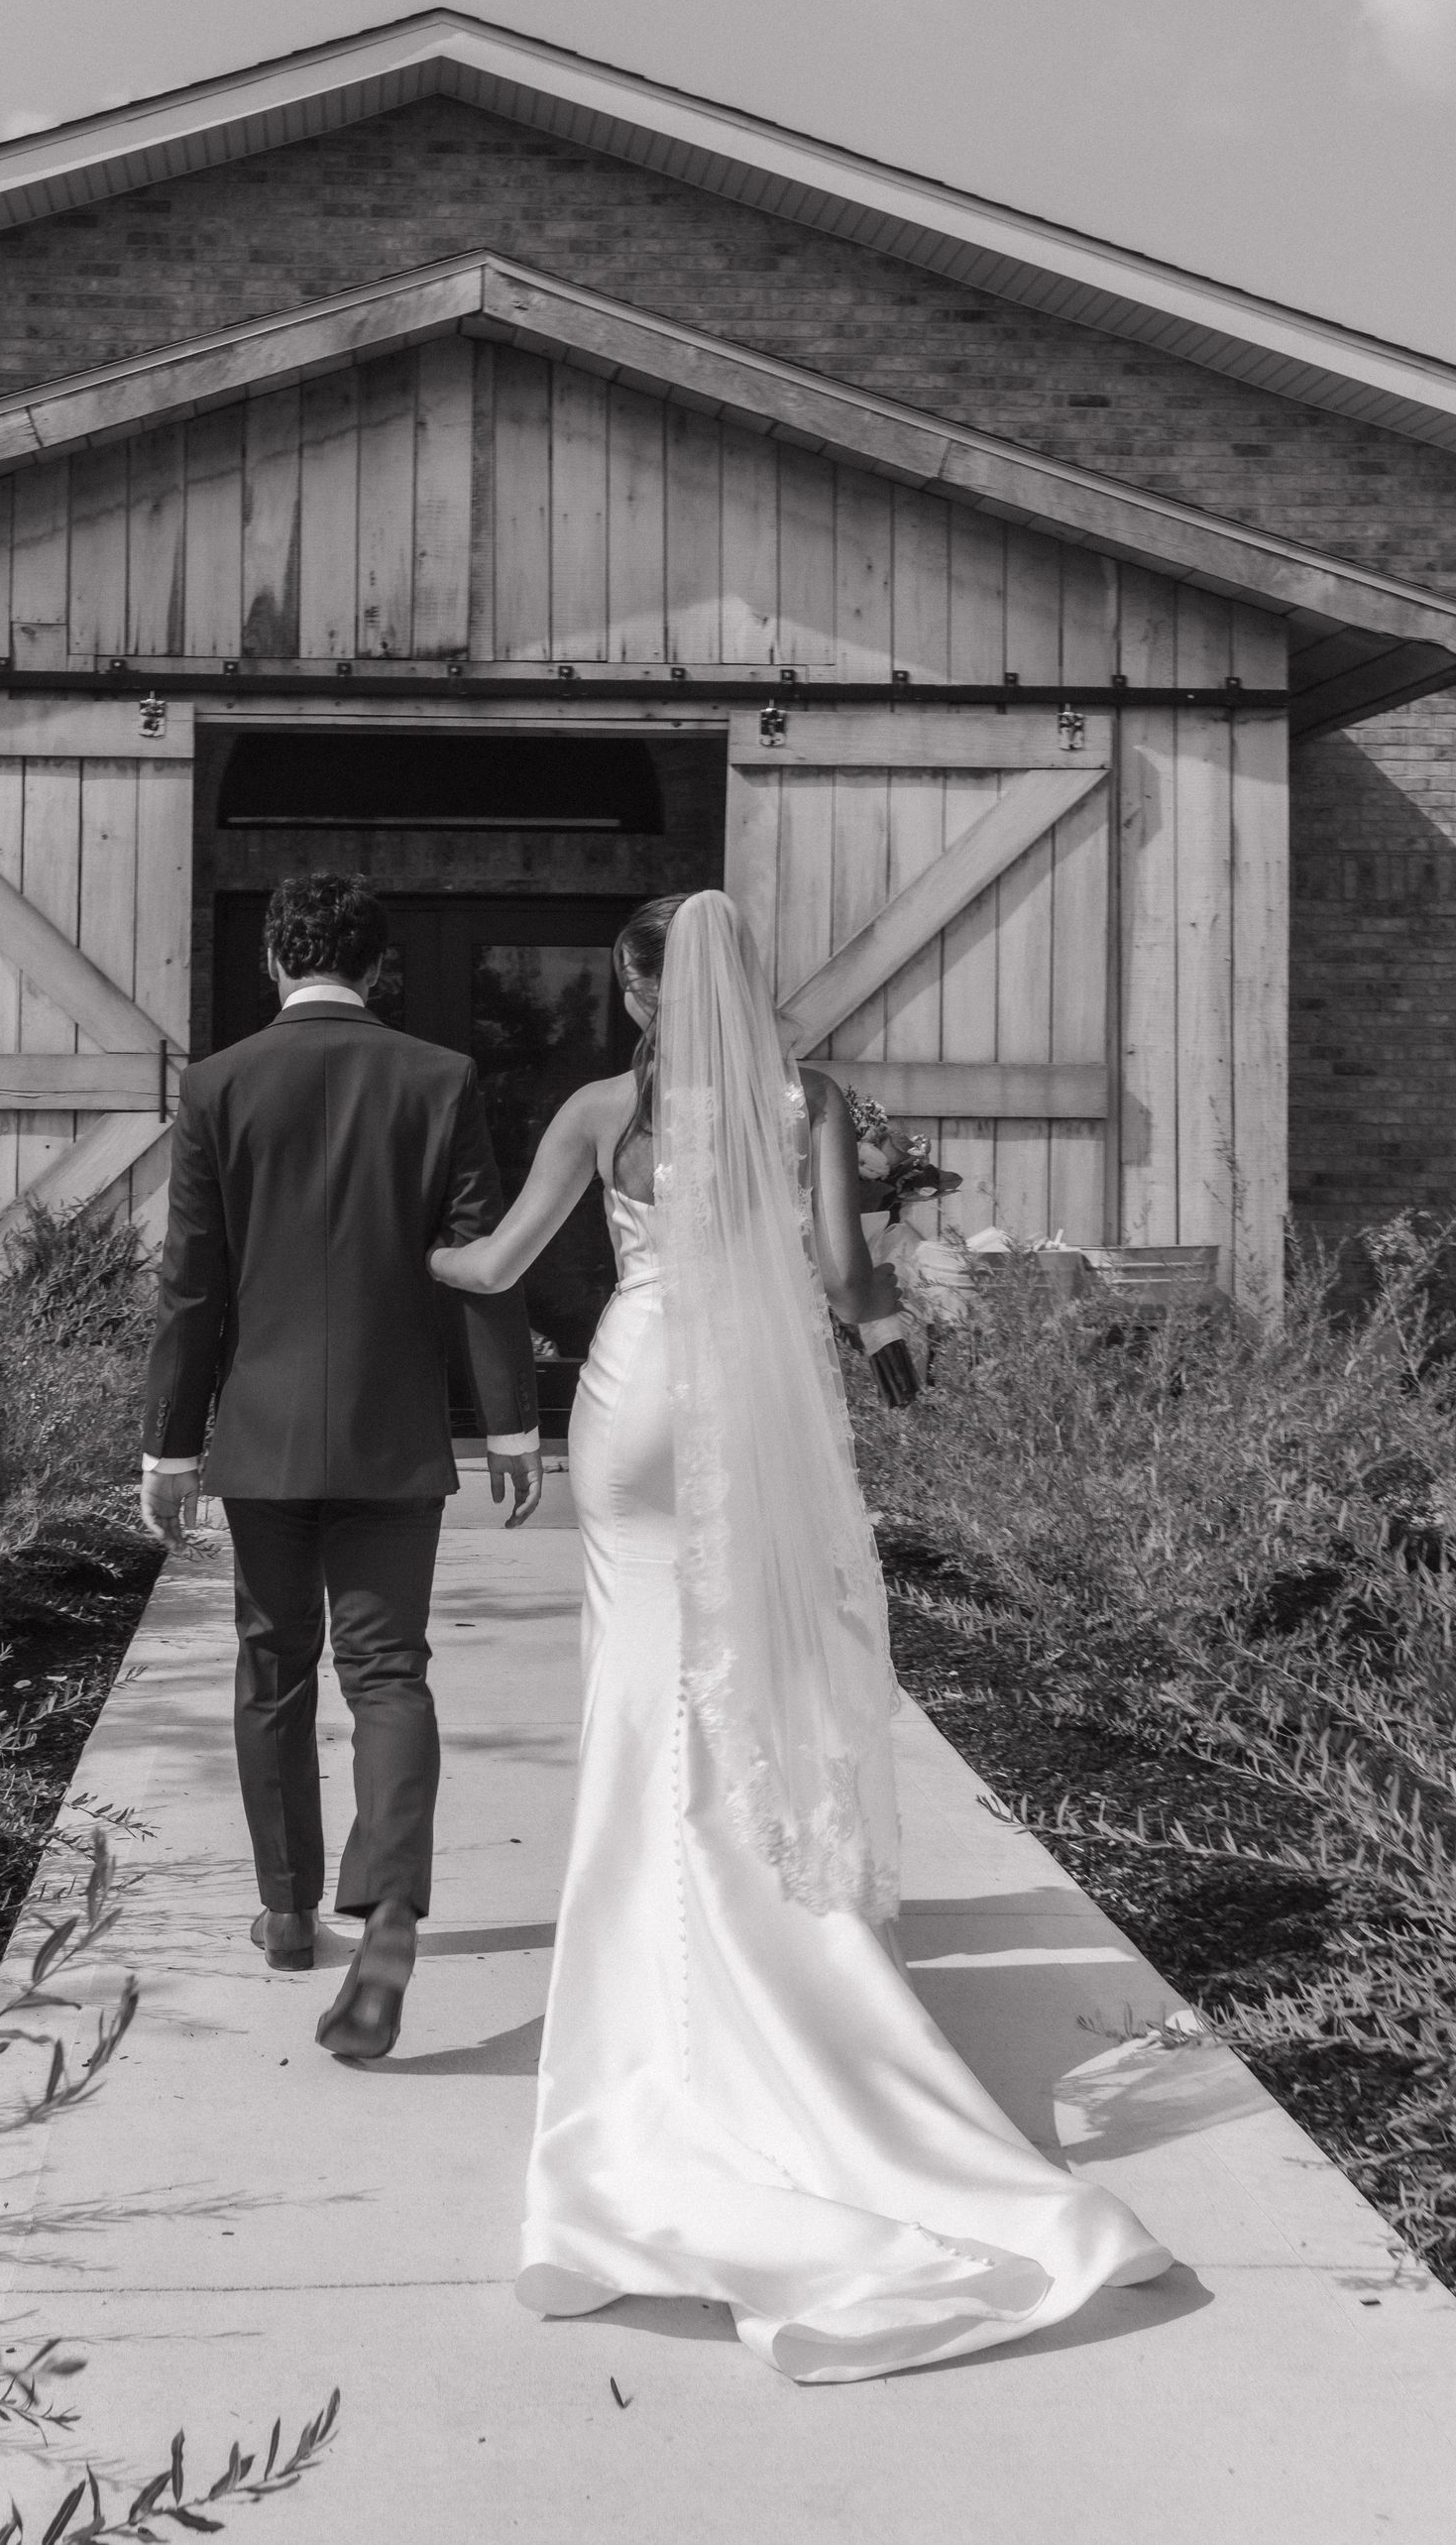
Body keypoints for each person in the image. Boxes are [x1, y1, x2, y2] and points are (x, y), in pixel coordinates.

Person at [429, 889, 1170, 2381]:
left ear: (639, 996)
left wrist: (410, 1253)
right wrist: (899, 1337)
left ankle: (645, 1993)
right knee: (751, 1675)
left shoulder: (592, 1108)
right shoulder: (807, 1098)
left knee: (641, 1695)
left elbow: (501, 1265)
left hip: (633, 1403)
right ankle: (780, 1940)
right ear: (739, 981)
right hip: (753, 1407)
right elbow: (842, 1279)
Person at [140, 871, 541, 2063]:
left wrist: (168, 1445)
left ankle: (284, 1910)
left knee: (272, 1669)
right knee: (387, 1674)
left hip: (259, 1437)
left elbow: (193, 1284)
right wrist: (511, 1424)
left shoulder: (217, 1084)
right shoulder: (440, 1077)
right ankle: (394, 1907)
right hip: (392, 1432)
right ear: (380, 969)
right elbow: (478, 1258)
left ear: (273, 959)